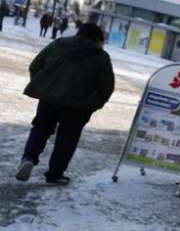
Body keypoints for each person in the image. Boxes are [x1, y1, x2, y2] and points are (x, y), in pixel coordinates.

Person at [15, 22, 115, 185]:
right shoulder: (100, 57)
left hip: (50, 99)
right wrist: (94, 104)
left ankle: (28, 159)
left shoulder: (58, 45)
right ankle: (55, 174)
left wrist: (45, 87)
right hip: (79, 106)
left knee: (40, 129)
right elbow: (106, 87)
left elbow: (35, 66)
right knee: (67, 139)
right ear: (97, 38)